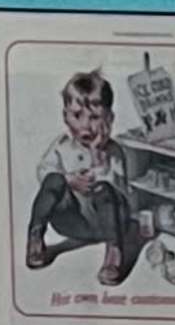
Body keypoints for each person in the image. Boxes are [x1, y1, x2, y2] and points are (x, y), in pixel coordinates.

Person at [25, 67, 150, 286]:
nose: (85, 124)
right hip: (72, 222)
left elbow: (121, 189)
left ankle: (114, 252)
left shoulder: (113, 151)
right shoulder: (62, 146)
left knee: (105, 190)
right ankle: (36, 236)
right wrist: (68, 180)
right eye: (76, 115)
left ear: (109, 118)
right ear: (65, 116)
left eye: (94, 117)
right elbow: (44, 172)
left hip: (107, 224)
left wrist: (97, 155)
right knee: (54, 179)